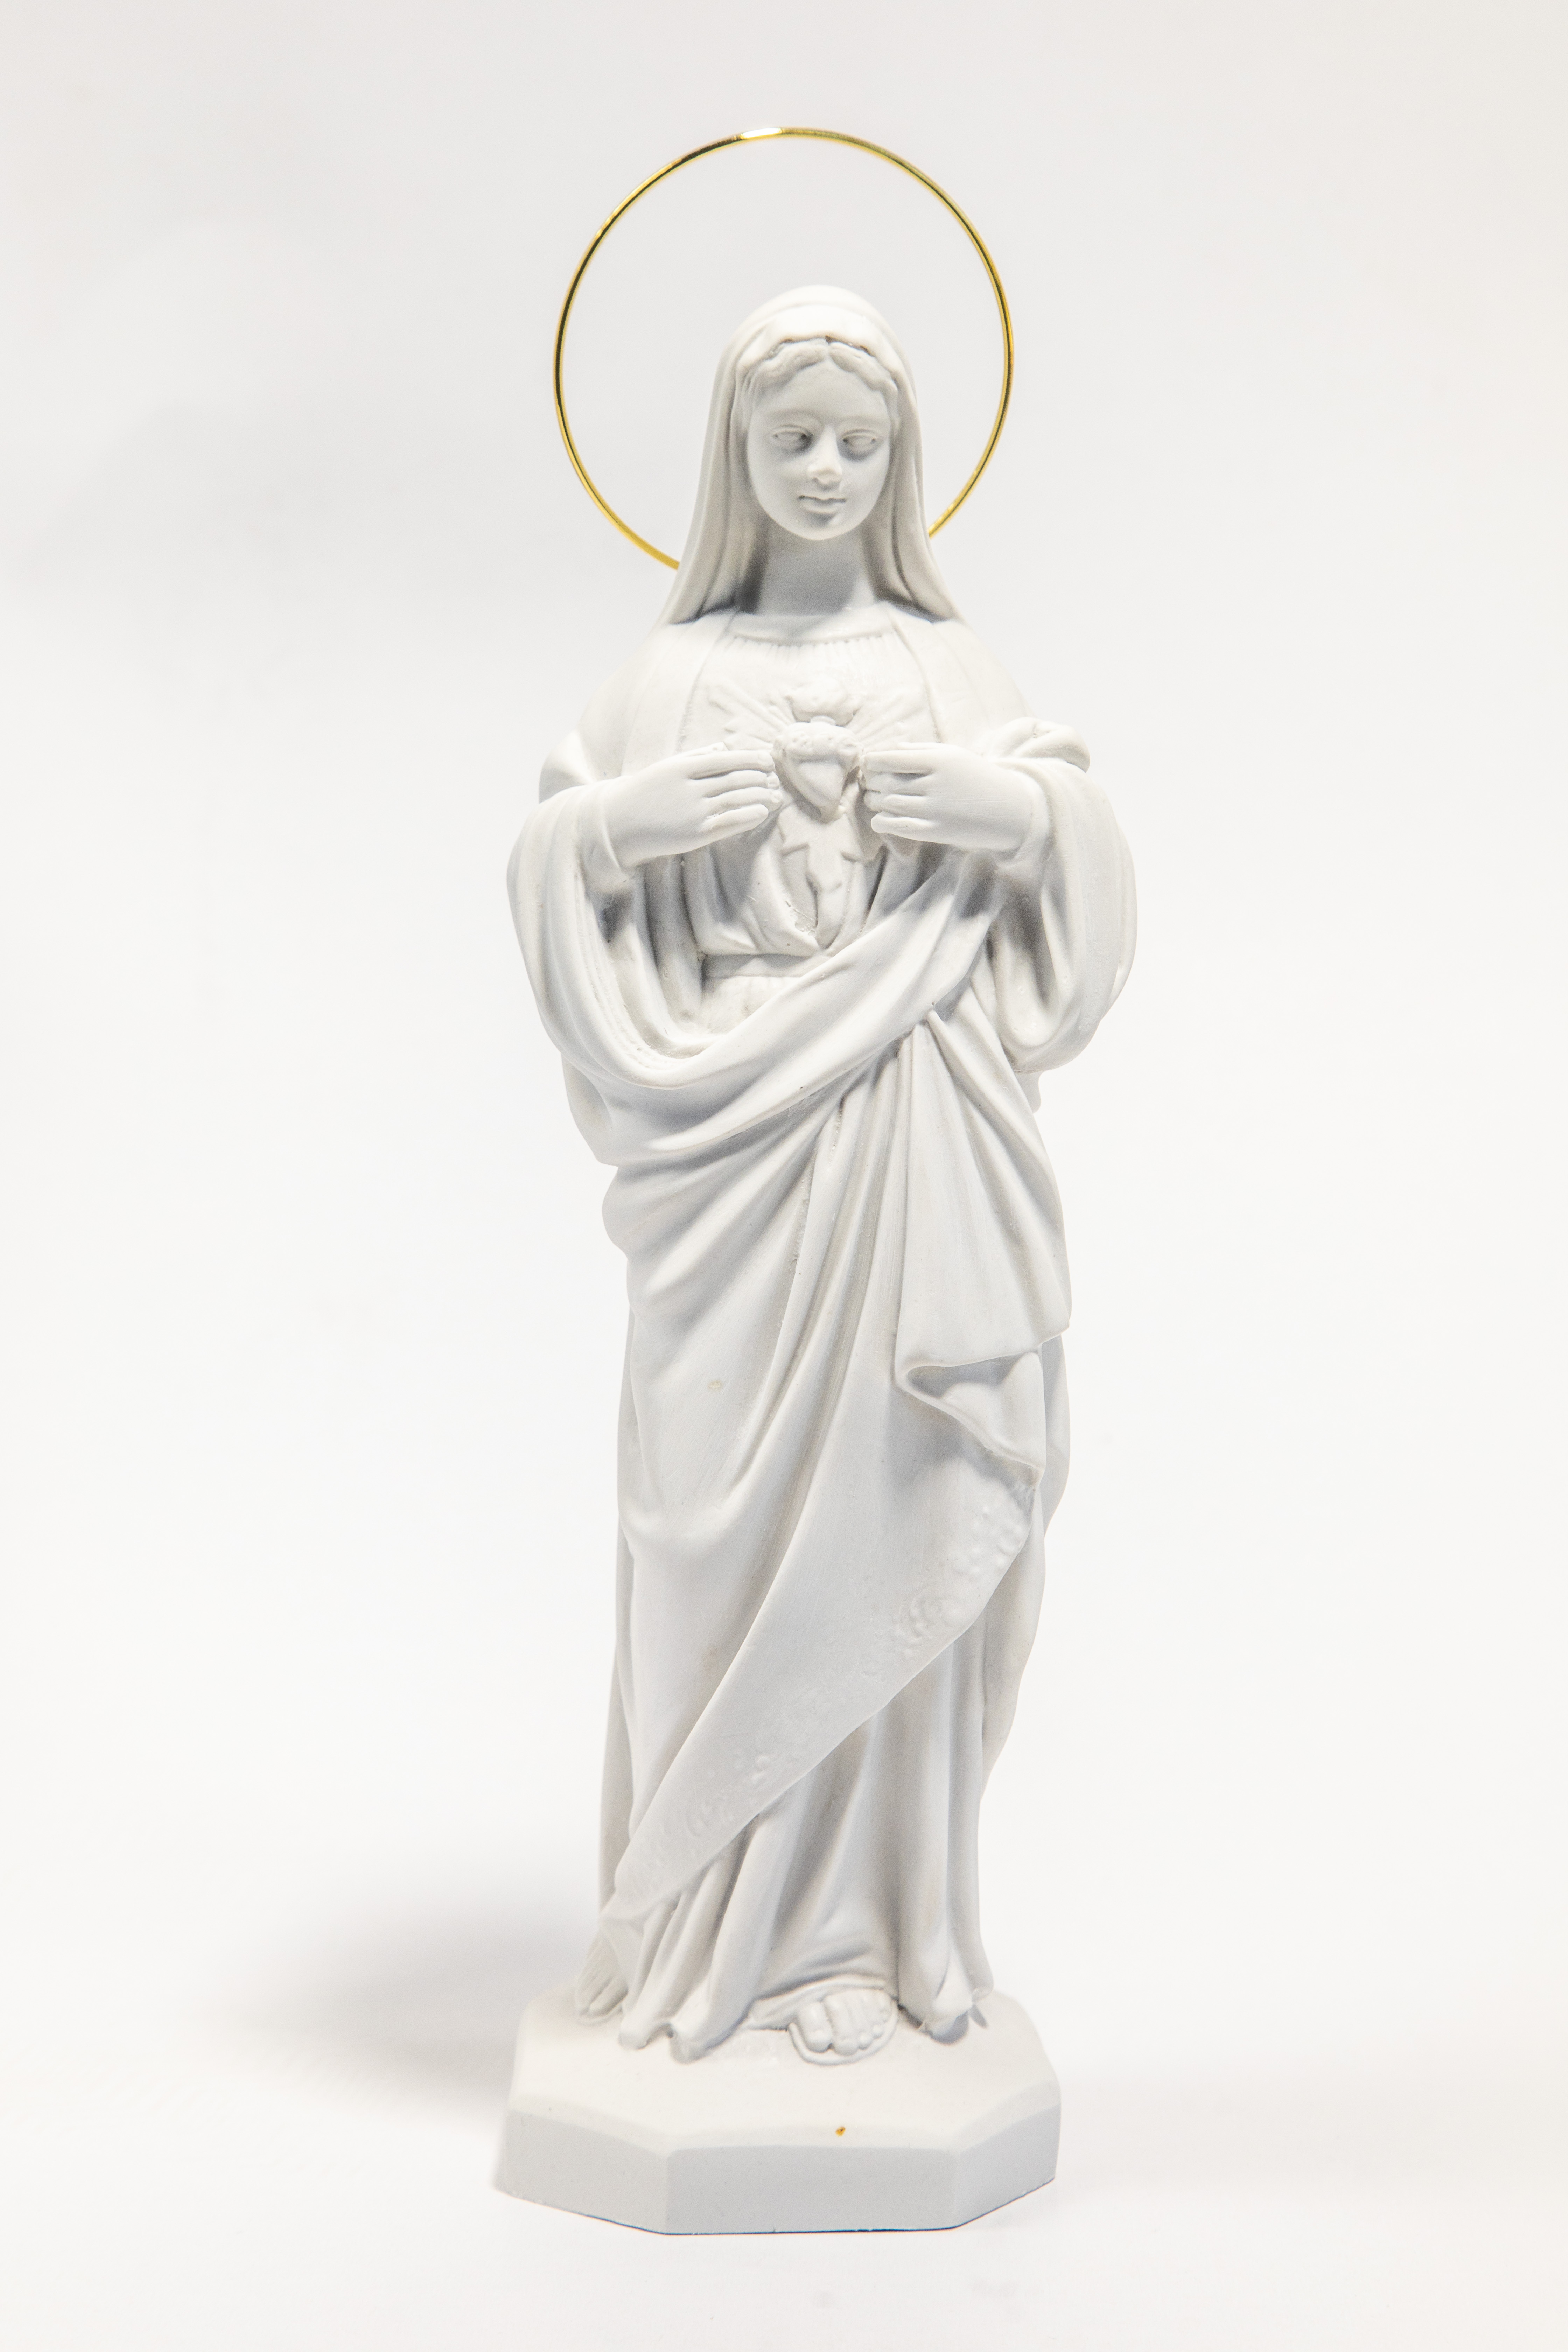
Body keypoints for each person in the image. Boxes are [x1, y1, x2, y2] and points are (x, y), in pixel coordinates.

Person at [511, 287, 1135, 2065]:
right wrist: (619, 830)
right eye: (790, 439)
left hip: (917, 1129)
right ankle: (697, 1924)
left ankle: (861, 1937)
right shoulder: (662, 679)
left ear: (903, 462)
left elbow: (1082, 865)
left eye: (858, 444)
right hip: (732, 1162)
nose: (823, 471)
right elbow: (549, 862)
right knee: (705, 1535)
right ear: (734, 450)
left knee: (897, 1499)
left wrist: (1013, 817)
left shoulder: (955, 669)